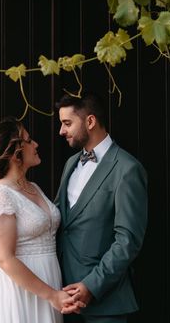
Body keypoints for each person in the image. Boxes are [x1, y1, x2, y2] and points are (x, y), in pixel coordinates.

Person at [0, 117, 83, 323]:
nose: (35, 144)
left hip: (47, 278)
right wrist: (52, 295)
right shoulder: (0, 195)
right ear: (13, 152)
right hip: (17, 289)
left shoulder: (33, 187)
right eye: (28, 140)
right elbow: (4, 258)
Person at [55, 92, 148, 323]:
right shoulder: (70, 163)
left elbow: (128, 241)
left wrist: (91, 286)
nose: (61, 131)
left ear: (90, 121)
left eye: (67, 123)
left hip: (106, 302)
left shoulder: (127, 169)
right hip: (62, 298)